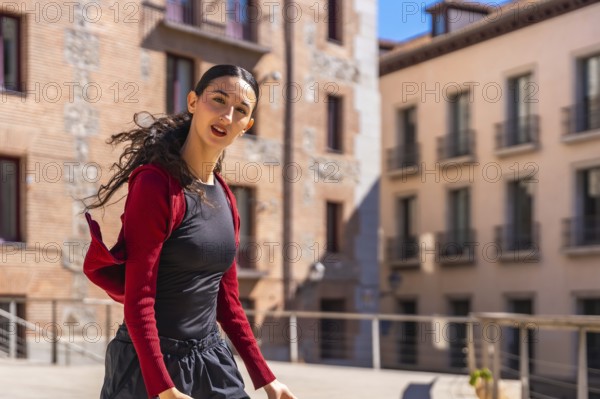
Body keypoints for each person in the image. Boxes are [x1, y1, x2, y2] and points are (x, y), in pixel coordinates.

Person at [82, 64, 298, 399]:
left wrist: (265, 377)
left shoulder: (226, 195)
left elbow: (227, 301)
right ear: (193, 102)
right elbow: (140, 298)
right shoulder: (156, 184)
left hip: (211, 358)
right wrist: (163, 389)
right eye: (218, 100)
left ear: (247, 126)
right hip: (149, 365)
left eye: (240, 110)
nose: (227, 116)